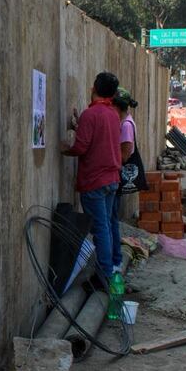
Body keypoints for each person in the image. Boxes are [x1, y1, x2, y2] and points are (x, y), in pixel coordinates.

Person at [61, 72, 122, 278]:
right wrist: (81, 127)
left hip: (95, 181)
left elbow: (81, 147)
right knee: (107, 226)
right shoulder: (113, 114)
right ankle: (113, 266)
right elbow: (99, 139)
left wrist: (62, 149)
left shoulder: (91, 114)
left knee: (100, 230)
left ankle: (104, 275)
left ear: (93, 88)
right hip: (111, 179)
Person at [111, 87, 139, 272]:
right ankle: (115, 256)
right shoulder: (125, 121)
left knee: (111, 218)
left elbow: (126, 154)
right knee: (111, 217)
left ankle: (115, 258)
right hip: (116, 174)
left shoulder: (126, 125)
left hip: (117, 175)